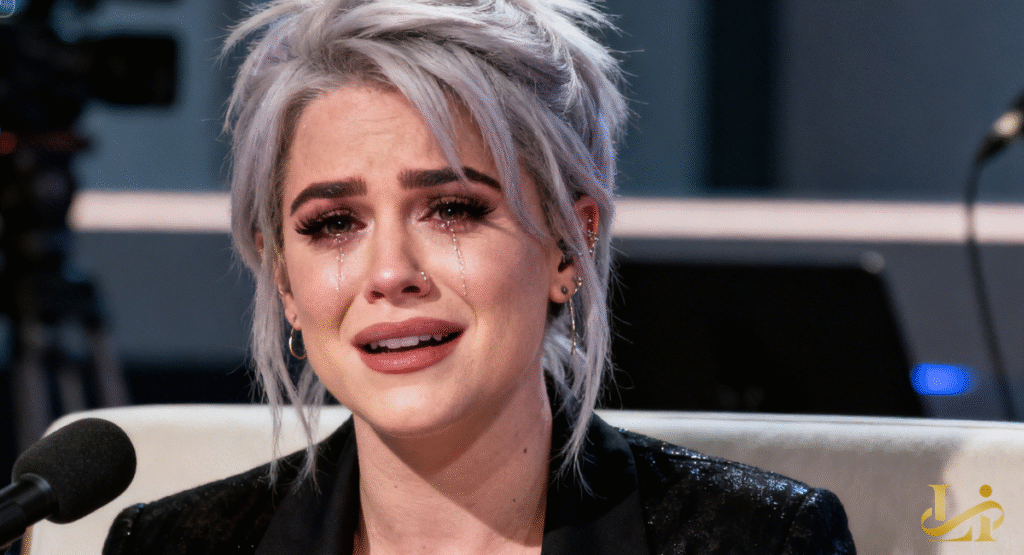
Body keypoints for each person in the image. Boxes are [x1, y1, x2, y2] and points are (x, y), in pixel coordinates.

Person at [103, 0, 856, 553]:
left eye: (453, 209)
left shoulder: (761, 541)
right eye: (333, 223)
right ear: (286, 283)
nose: (391, 272)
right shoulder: (167, 546)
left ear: (569, 244)